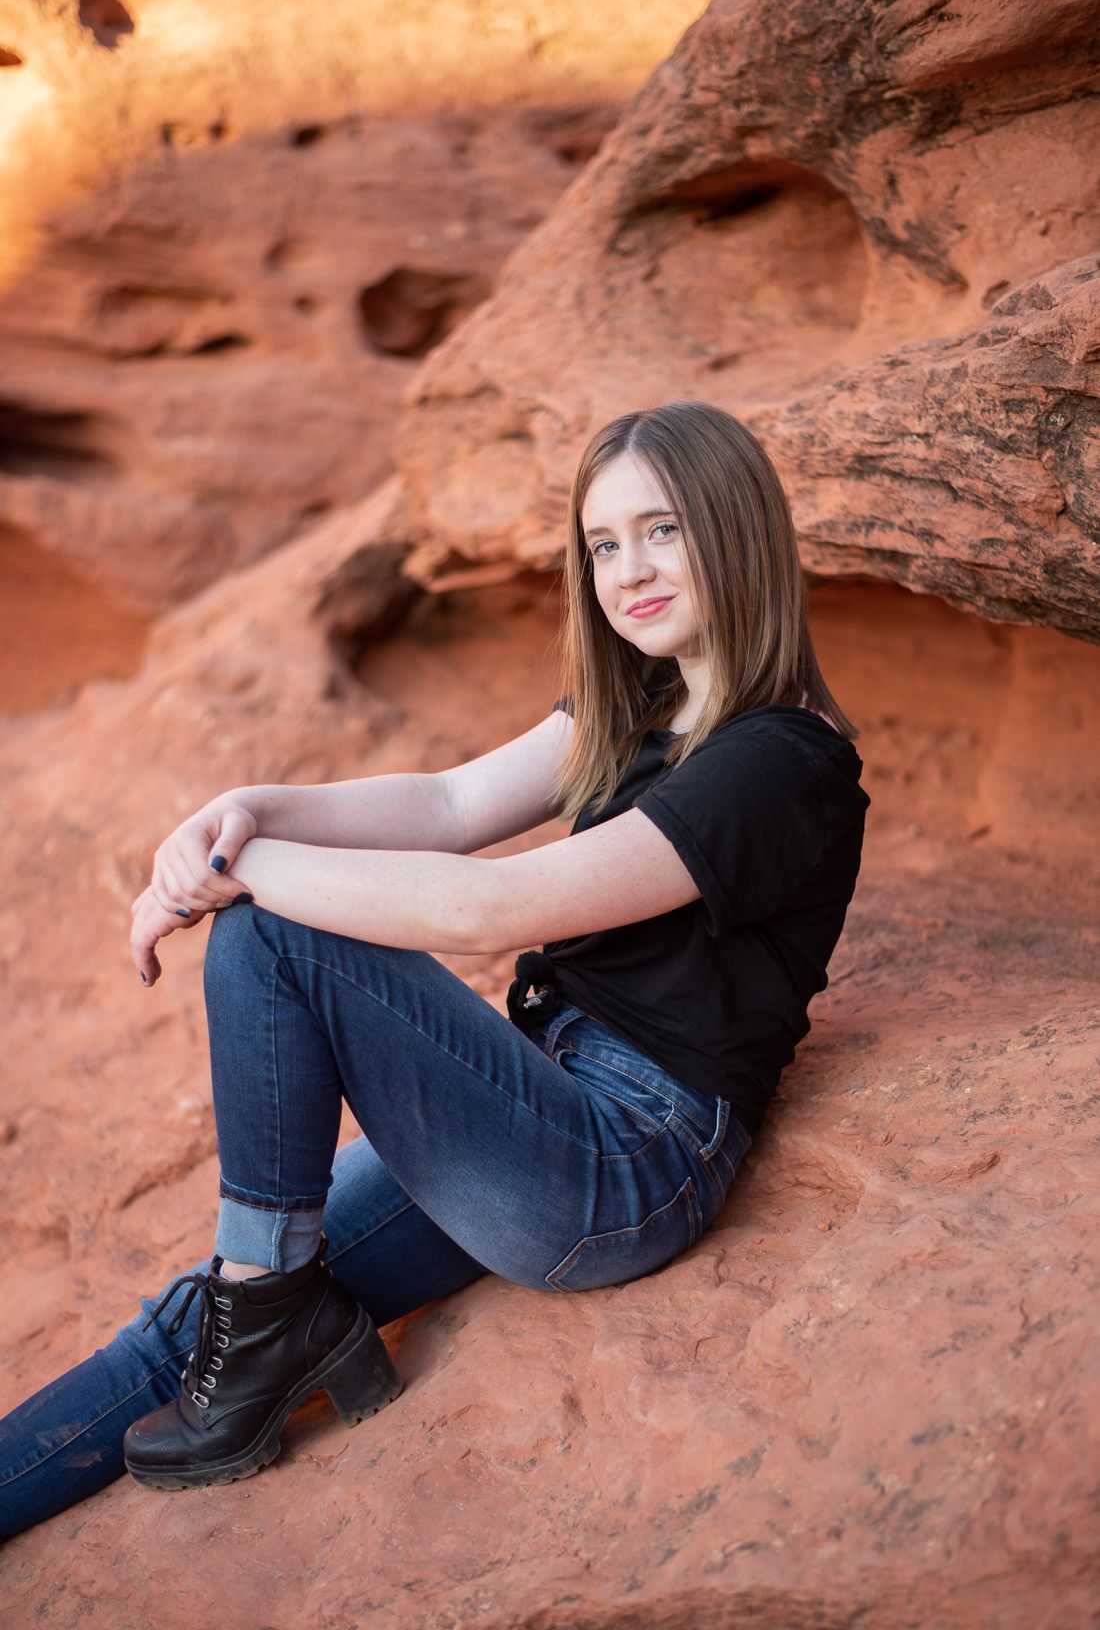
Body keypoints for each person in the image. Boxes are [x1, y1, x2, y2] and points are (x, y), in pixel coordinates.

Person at [0, 400, 869, 1537]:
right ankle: (258, 1316)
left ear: (736, 528)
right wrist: (247, 807)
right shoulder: (646, 704)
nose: (628, 570)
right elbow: (449, 805)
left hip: (622, 1162)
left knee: (275, 930)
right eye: (603, 545)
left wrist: (245, 872)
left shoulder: (780, 759)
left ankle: (268, 1306)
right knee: (207, 1316)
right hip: (535, 1104)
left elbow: (489, 903)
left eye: (661, 531)